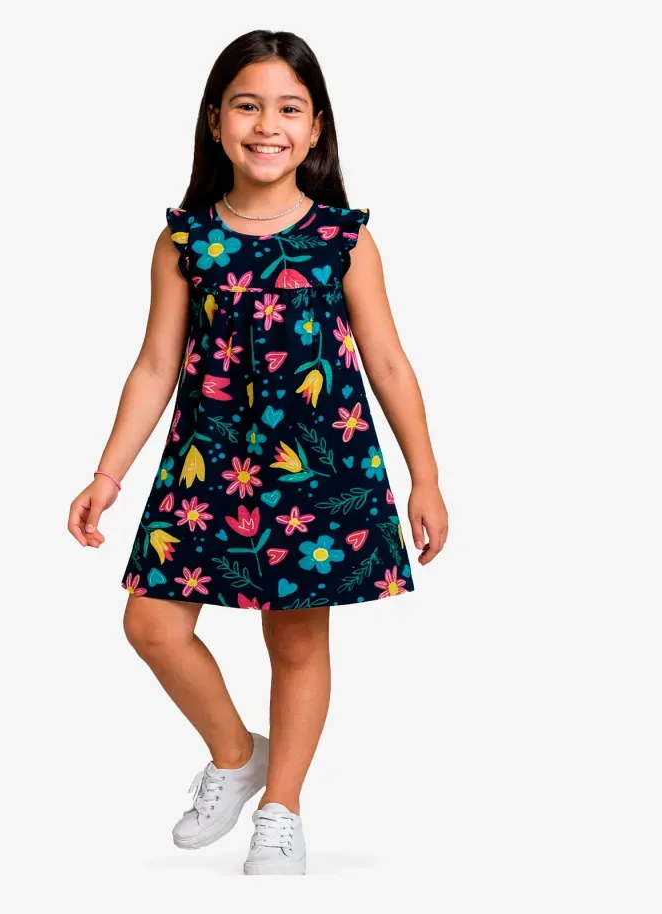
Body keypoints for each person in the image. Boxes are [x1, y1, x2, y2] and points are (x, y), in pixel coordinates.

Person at [68, 29, 448, 876]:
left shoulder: (343, 239)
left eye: (288, 109)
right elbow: (156, 365)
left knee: (298, 643)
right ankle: (238, 757)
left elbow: (388, 362)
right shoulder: (185, 242)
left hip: (318, 468)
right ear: (215, 121)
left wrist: (425, 477)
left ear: (315, 129)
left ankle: (283, 808)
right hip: (207, 467)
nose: (267, 125)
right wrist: (107, 474)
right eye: (247, 105)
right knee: (151, 624)